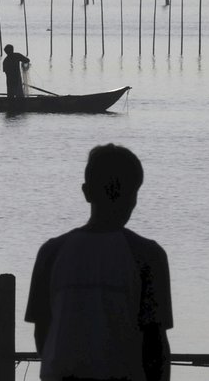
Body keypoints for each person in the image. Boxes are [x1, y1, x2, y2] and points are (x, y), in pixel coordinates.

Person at [25, 144, 172, 381]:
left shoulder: (51, 253)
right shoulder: (148, 255)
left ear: (86, 192)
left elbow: (43, 333)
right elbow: (155, 345)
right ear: (134, 195)